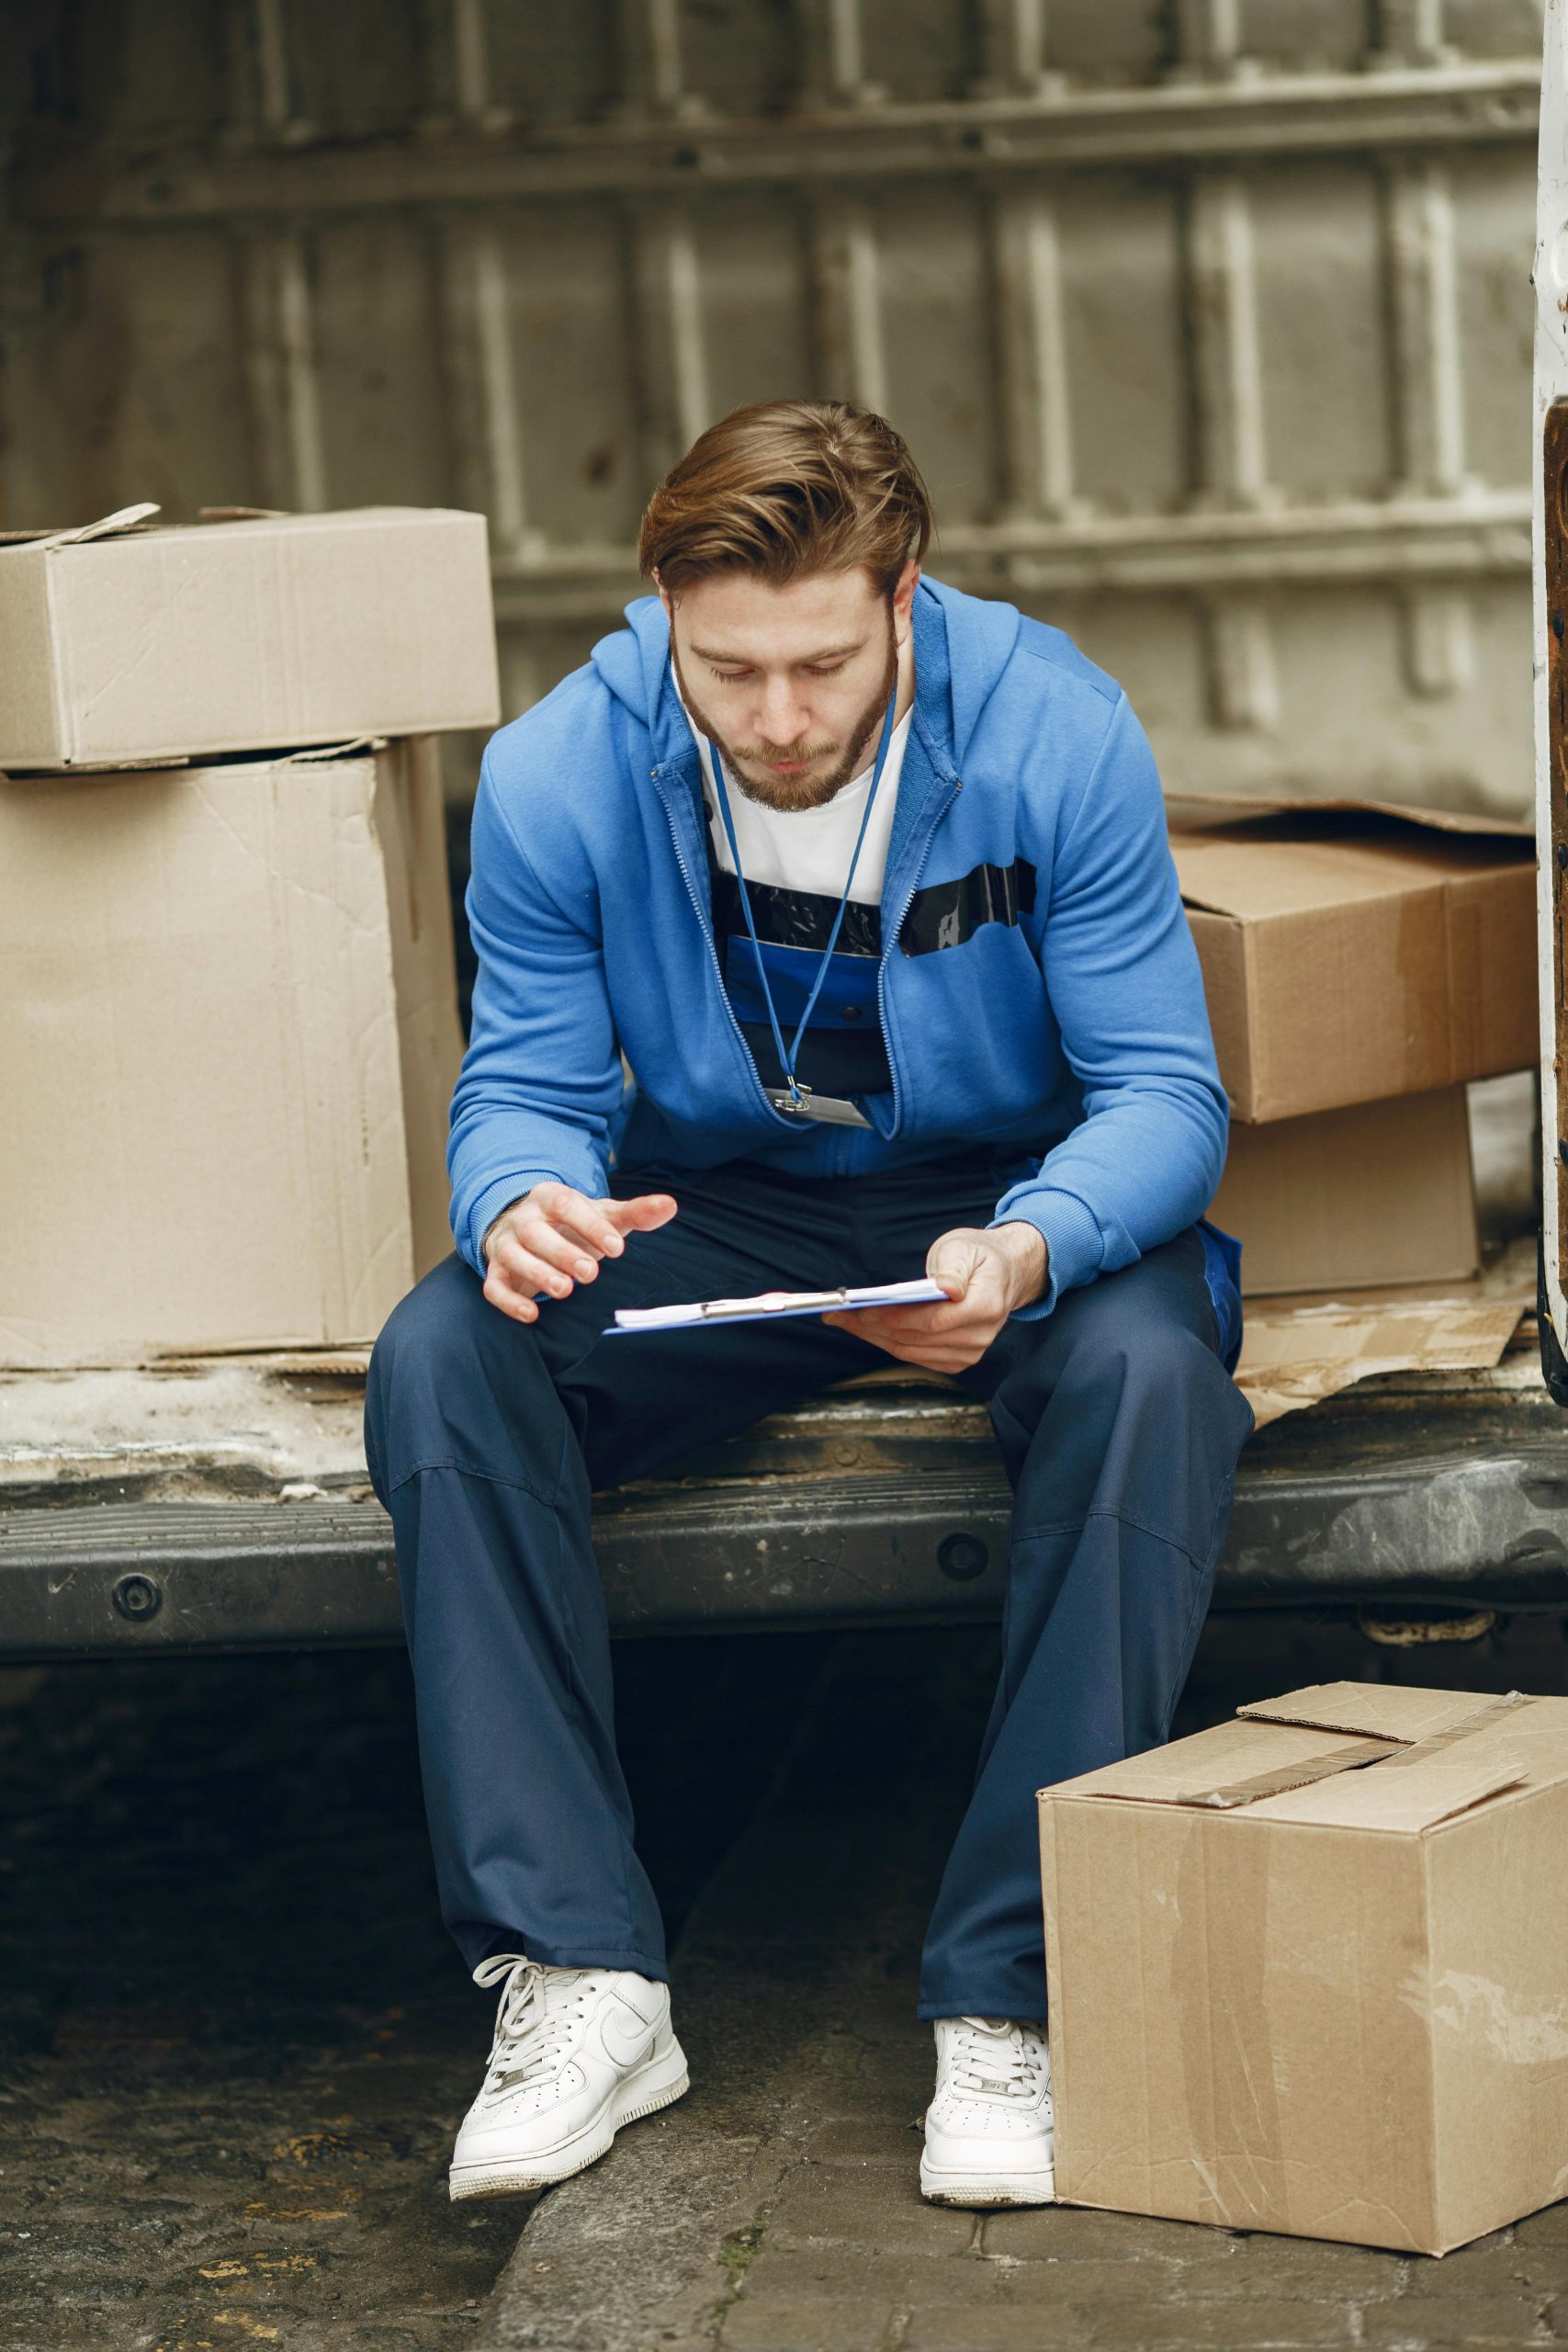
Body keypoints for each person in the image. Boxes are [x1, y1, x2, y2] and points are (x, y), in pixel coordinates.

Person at [364, 399, 1253, 2211]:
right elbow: (522, 1078)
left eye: (820, 665)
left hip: (1010, 1199)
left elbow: (1164, 1090)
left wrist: (1029, 1245)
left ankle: (1014, 1989)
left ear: (901, 601)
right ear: (664, 615)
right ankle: (583, 1970)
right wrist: (514, 1197)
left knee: (1153, 1372)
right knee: (447, 1345)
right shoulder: (559, 768)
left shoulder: (1049, 726)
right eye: (727, 668)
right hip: (727, 1206)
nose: (774, 719)